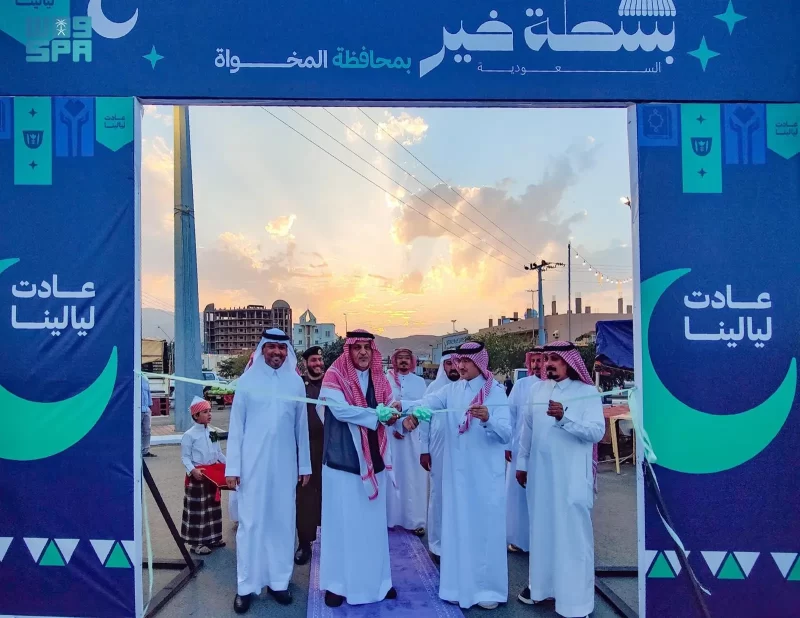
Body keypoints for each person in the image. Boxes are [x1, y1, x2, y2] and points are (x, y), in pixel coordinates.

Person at [401, 341, 511, 610]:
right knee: (457, 526)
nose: (460, 366)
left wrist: (488, 419)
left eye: (466, 362)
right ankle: (456, 586)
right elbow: (427, 403)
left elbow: (507, 434)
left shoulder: (495, 393)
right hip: (457, 476)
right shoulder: (451, 390)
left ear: (480, 363)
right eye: (459, 361)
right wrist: (402, 406)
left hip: (485, 477)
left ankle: (487, 589)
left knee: (484, 531)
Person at [317, 330, 421, 608]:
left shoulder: (380, 379)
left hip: (374, 462)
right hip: (341, 464)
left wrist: (404, 423)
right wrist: (378, 415)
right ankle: (337, 585)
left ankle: (378, 583)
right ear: (348, 350)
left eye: (367, 347)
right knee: (341, 525)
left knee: (373, 527)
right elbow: (341, 412)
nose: (363, 352)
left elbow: (391, 413)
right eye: (357, 347)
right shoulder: (334, 376)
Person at [225, 328, 312, 614]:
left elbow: (301, 428)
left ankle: (278, 582)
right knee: (250, 525)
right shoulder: (248, 380)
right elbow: (236, 427)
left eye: (282, 348)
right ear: (263, 349)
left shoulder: (295, 383)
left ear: (287, 351)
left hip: (285, 467)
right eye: (272, 347)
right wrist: (233, 467)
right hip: (252, 467)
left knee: (282, 523)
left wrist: (304, 465)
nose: (277, 352)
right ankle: (245, 586)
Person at [515, 341, 605, 618]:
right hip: (540, 476)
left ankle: (576, 602)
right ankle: (541, 588)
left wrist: (564, 418)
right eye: (546, 359)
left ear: (569, 362)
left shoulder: (587, 392)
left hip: (571, 479)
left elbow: (596, 433)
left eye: (555, 358)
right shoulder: (536, 390)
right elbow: (527, 430)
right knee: (542, 532)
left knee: (572, 537)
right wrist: (522, 464)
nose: (549, 363)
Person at [418, 349, 459, 562]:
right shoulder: (434, 388)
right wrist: (424, 450)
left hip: (461, 450)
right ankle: (437, 545)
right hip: (438, 449)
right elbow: (424, 420)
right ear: (443, 366)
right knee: (439, 495)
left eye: (456, 363)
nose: (453, 367)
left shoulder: (466, 388)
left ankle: (456, 543)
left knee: (458, 496)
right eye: (449, 364)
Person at [385, 348, 428, 536]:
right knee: (392, 476)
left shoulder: (419, 382)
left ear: (412, 362)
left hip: (413, 436)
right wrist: (397, 426)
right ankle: (391, 519)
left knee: (413, 477)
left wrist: (408, 424)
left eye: (406, 358)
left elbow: (425, 405)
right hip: (390, 435)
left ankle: (415, 521)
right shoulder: (386, 379)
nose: (403, 361)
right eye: (400, 358)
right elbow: (382, 404)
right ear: (394, 361)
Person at [505, 347, 543, 554]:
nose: (536, 365)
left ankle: (542, 541)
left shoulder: (555, 386)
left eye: (540, 360)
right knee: (519, 495)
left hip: (545, 449)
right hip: (519, 447)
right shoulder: (521, 385)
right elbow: (509, 415)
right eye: (533, 361)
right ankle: (520, 540)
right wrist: (507, 445)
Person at [180, 396, 227, 555]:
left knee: (213, 508)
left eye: (209, 411)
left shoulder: (213, 432)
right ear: (195, 415)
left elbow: (218, 453)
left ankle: (213, 538)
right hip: (198, 476)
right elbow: (185, 457)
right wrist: (193, 470)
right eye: (205, 412)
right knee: (199, 510)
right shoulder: (189, 435)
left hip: (212, 477)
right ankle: (197, 544)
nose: (209, 414)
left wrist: (230, 467)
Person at [294, 345, 326, 566]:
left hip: (328, 447)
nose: (318, 364)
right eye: (313, 360)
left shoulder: (331, 383)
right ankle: (305, 543)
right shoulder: (298, 385)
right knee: (305, 495)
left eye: (320, 360)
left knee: (329, 494)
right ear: (305, 363)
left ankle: (331, 539)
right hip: (304, 448)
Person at [141, 375, 156, 457]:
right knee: (137, 431)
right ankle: (136, 450)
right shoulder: (133, 377)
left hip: (146, 409)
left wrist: (150, 406)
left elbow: (148, 393)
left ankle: (145, 451)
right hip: (137, 409)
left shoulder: (145, 378)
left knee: (147, 430)